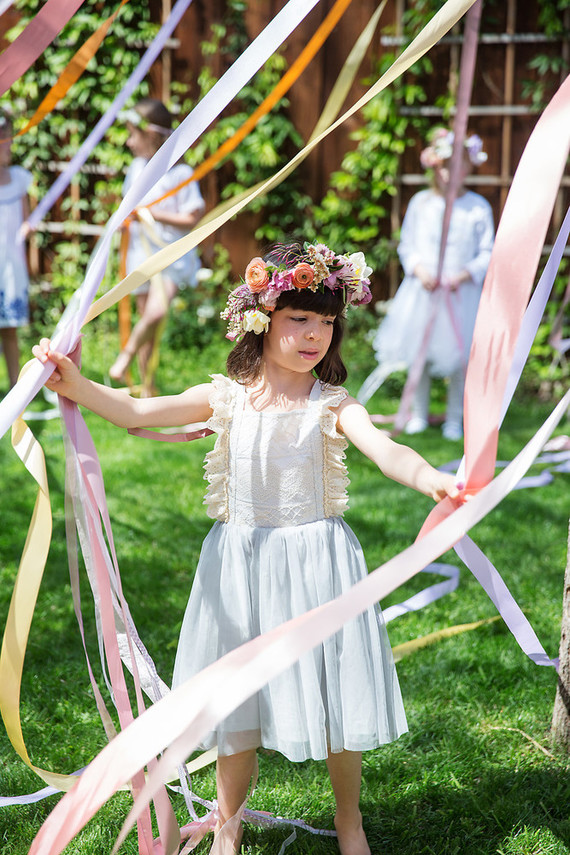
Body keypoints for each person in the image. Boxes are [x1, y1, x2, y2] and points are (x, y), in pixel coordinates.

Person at [33, 241, 461, 855]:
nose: (316, 334)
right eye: (300, 319)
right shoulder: (227, 398)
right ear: (261, 321)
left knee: (337, 697)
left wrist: (431, 478)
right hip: (239, 571)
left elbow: (388, 449)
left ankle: (349, 821)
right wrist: (76, 382)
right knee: (235, 709)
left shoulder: (332, 406)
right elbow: (135, 412)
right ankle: (228, 827)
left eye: (327, 322)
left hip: (319, 571)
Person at [371, 127, 495, 440]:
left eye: (456, 166)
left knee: (459, 356)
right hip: (423, 291)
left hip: (460, 292)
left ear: (468, 167)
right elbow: (407, 245)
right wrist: (418, 269)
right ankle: (419, 413)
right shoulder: (421, 203)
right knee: (420, 353)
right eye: (442, 165)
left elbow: (487, 252)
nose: (448, 172)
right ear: (433, 166)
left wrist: (462, 275)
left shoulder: (478, 207)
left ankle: (455, 417)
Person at [109, 98, 205, 392]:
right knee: (146, 322)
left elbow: (192, 216)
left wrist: (151, 214)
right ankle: (147, 387)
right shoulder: (136, 168)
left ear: (151, 135)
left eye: (132, 134)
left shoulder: (180, 173)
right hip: (140, 253)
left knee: (156, 312)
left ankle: (123, 358)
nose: (127, 142)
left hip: (170, 257)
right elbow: (129, 207)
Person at [0, 111, 32, 389]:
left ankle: (14, 388)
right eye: (4, 141)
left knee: (9, 330)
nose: (9, 146)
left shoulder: (20, 179)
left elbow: (26, 219)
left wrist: (27, 228)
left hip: (10, 267)